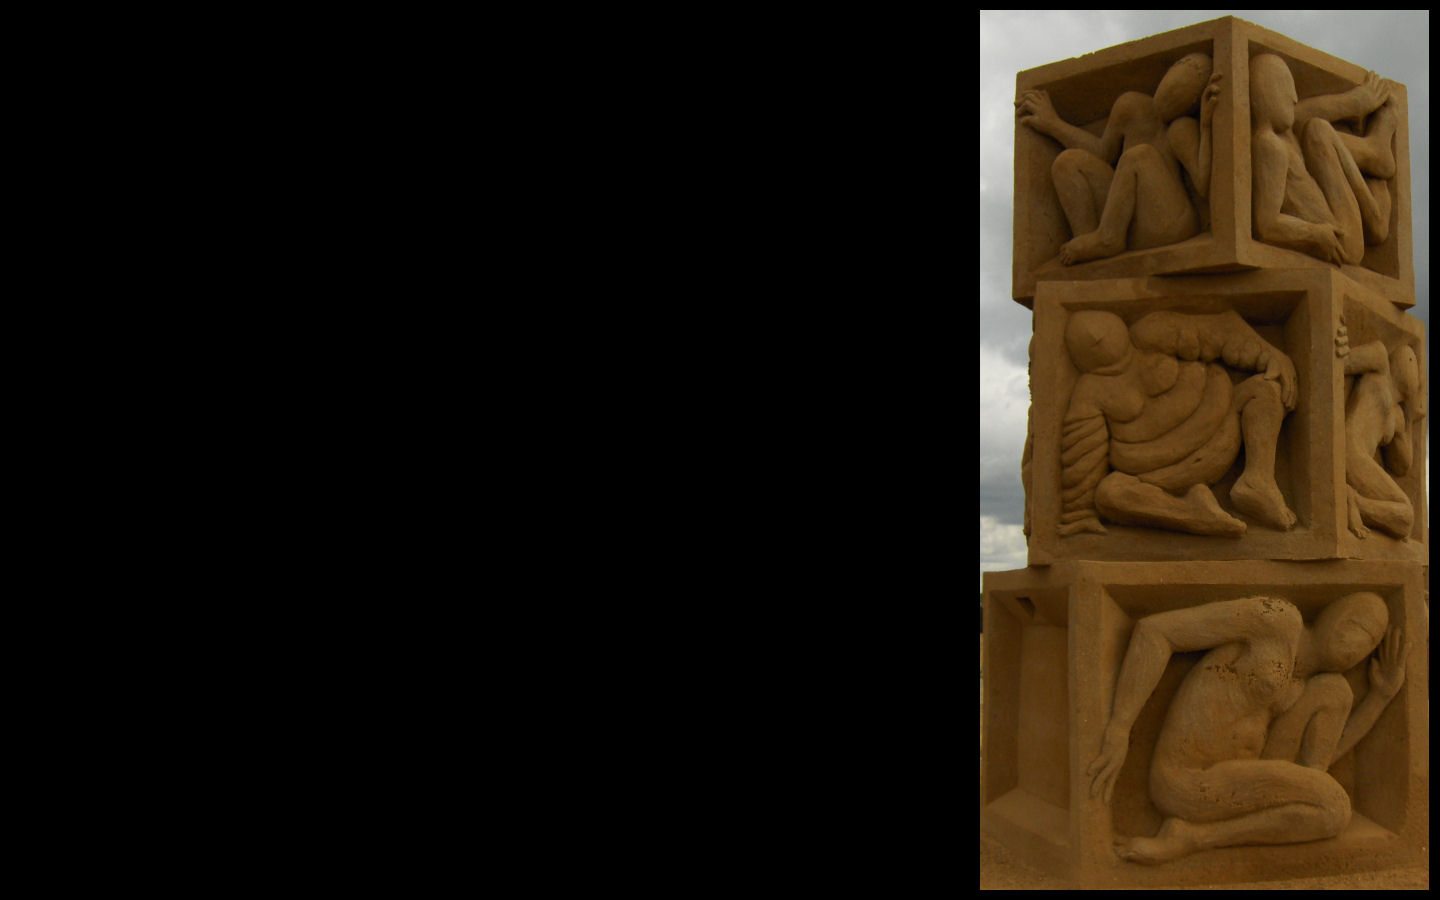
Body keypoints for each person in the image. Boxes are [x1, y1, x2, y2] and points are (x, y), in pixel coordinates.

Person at [1088, 591, 1408, 864]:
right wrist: (1120, 726)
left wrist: (1380, 697)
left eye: (1369, 642)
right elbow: (1156, 632)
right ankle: (1191, 838)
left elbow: (1316, 771)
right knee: (1334, 807)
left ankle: (1196, 837)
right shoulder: (1278, 621)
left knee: (1336, 693)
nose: (1357, 645)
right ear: (1332, 616)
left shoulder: (1313, 686)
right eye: (1354, 625)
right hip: (1185, 779)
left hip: (1237, 778)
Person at [1058, 308, 1297, 537]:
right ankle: (1192, 512)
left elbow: (1218, 331)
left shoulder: (1152, 332)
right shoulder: (1090, 391)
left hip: (1223, 429)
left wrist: (1270, 355)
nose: (1097, 337)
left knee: (1265, 390)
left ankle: (1258, 478)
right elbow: (1083, 451)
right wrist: (1080, 513)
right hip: (1165, 475)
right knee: (1110, 493)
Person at [1015, 53, 1222, 265]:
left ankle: (1107, 239)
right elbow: (1103, 153)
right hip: (1128, 221)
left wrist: (1205, 124)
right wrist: (1053, 123)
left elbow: (1202, 183)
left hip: (1168, 224)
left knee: (1140, 155)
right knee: (1067, 162)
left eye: (1183, 93)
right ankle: (1088, 244)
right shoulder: (1131, 106)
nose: (1171, 96)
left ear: (1193, 102)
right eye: (1173, 84)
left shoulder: (1182, 128)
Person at [1250, 55, 1398, 266]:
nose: (1294, 97)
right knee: (1318, 130)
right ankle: (1376, 215)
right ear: (1266, 93)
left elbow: (1298, 116)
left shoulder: (1279, 138)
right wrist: (1314, 234)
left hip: (1332, 227)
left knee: (1313, 127)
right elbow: (1266, 225)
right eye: (1285, 88)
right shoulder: (1269, 145)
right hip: (1342, 239)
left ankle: (1373, 149)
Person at [1335, 320, 1425, 539]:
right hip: (1350, 451)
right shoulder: (1380, 362)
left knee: (1405, 520)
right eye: (1409, 358)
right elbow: (1340, 363)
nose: (1411, 363)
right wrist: (1339, 343)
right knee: (1406, 516)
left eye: (1414, 361)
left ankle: (1356, 503)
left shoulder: (1398, 417)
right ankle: (1353, 502)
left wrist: (1412, 417)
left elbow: (1402, 466)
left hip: (1360, 461)